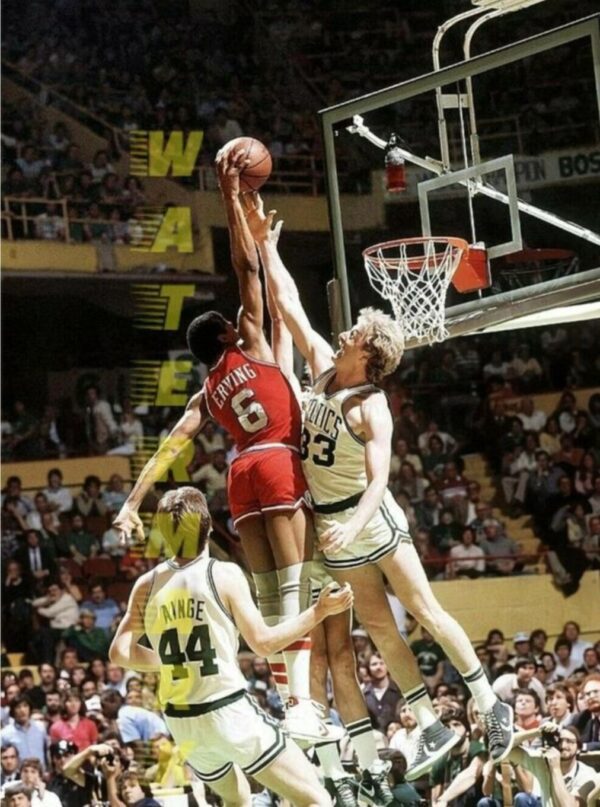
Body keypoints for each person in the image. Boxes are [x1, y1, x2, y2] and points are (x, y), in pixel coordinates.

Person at [244, 191, 514, 779]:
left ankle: (490, 703)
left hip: (370, 521)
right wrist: (265, 245)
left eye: (354, 335)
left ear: (368, 355)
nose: (343, 335)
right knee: (380, 631)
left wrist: (353, 528)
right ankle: (430, 723)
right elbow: (288, 302)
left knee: (423, 610)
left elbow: (380, 480)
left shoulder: (372, 406)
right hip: (336, 524)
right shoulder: (320, 367)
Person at [113, 149, 333, 743]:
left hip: (240, 476)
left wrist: (133, 503)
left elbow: (168, 451)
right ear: (230, 332)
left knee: (265, 593)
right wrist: (231, 197)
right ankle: (305, 708)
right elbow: (246, 269)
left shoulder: (207, 392)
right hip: (279, 459)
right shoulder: (253, 343)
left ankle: (294, 704)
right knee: (297, 586)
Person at [110, 486, 353, 807]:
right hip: (226, 709)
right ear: (209, 528)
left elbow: (119, 652)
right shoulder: (222, 574)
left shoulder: (146, 585)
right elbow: (264, 644)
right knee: (316, 799)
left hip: (182, 722)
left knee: (237, 799)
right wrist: (319, 611)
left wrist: (169, 662)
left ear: (164, 535)